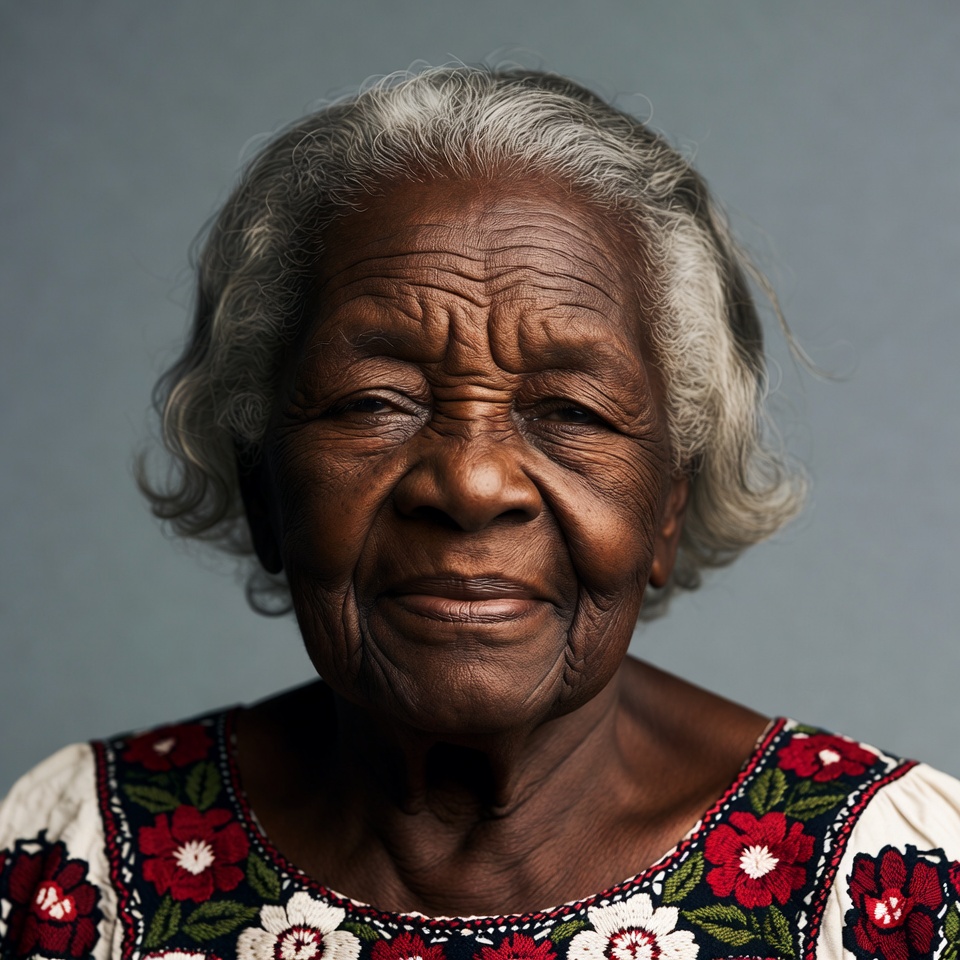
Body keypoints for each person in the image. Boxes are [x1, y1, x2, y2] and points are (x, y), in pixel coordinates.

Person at [1, 66, 957, 960]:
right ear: (262, 487)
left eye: (570, 412)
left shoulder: (887, 887)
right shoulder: (71, 859)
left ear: (668, 503)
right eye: (374, 402)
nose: (471, 482)